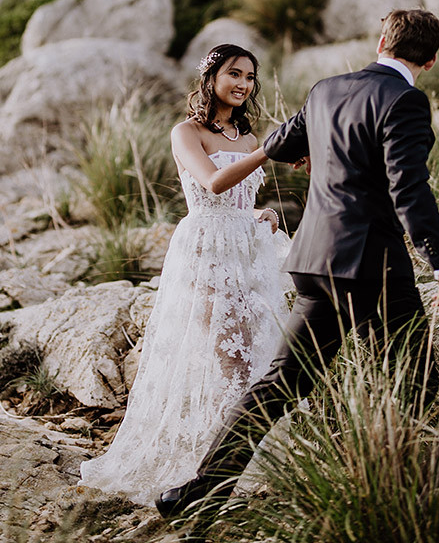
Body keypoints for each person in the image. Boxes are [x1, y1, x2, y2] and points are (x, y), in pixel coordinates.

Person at [156, 8, 439, 521]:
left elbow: (279, 142)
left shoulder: (326, 89)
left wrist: (314, 150)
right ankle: (404, 497)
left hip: (314, 261)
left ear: (381, 41)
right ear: (430, 60)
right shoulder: (406, 101)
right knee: (416, 382)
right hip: (373, 268)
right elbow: (409, 188)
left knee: (281, 383)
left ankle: (199, 492)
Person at [78, 43, 293, 507]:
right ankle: (213, 466)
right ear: (211, 76)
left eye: (251, 77)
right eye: (234, 73)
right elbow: (213, 185)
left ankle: (249, 458)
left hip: (247, 251)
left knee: (261, 350)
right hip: (206, 252)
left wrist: (264, 213)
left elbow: (237, 200)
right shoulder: (186, 132)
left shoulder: (248, 137)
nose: (243, 84)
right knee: (228, 356)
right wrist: (271, 150)